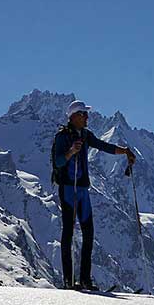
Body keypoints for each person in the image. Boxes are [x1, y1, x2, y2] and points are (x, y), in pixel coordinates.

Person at [53, 100, 136, 290]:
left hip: (81, 189)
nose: (87, 117)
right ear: (73, 116)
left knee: (88, 233)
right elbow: (57, 162)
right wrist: (71, 152)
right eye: (83, 114)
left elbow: (102, 145)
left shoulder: (85, 135)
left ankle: (84, 279)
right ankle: (68, 280)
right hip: (68, 188)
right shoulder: (62, 137)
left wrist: (124, 151)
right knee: (68, 233)